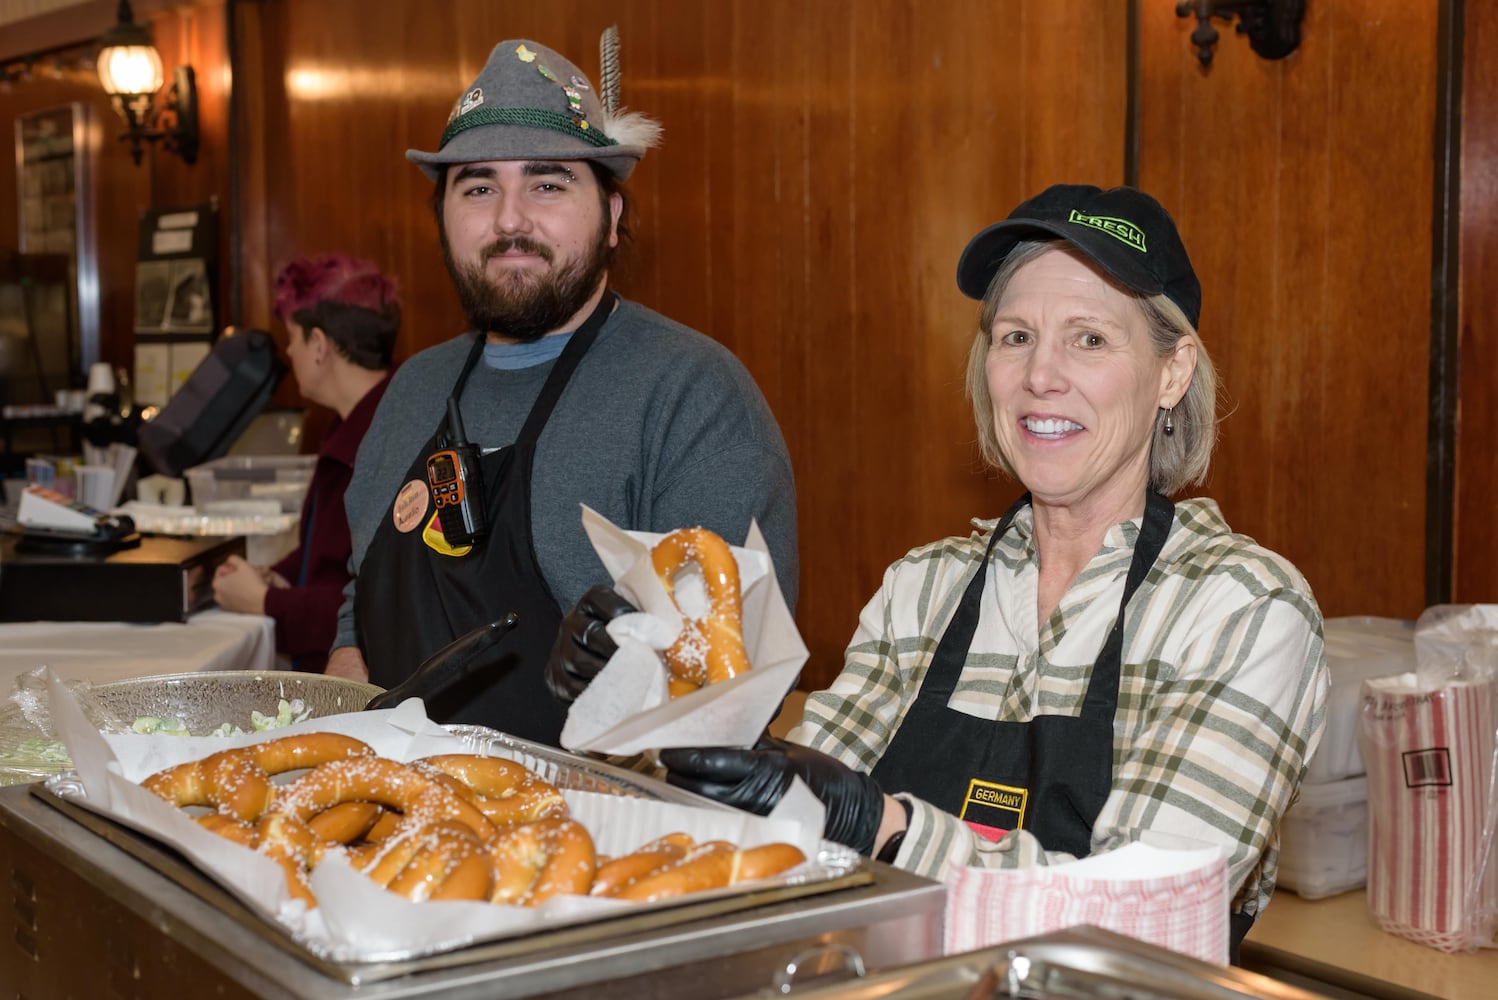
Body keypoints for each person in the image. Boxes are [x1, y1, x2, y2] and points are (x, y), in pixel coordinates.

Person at [648, 185, 1329, 961]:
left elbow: (1133, 924)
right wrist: (663, 701)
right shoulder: (923, 591)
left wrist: (884, 828)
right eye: (1015, 337)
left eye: (1090, 340)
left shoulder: (1241, 609)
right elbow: (771, 846)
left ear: (1172, 372)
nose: (1041, 375)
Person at [326, 39, 797, 743]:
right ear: (444, 218)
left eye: (548, 184)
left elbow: (721, 697)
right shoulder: (412, 391)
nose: (510, 219)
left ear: (611, 217)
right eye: (478, 187)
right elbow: (359, 605)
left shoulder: (692, 396)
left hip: (602, 826)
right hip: (399, 814)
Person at [212, 254, 400, 673]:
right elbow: (330, 555)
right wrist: (272, 573)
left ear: (319, 345)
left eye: (292, 338)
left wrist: (264, 601)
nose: (290, 351)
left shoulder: (386, 438)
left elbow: (369, 606)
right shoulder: (350, 424)